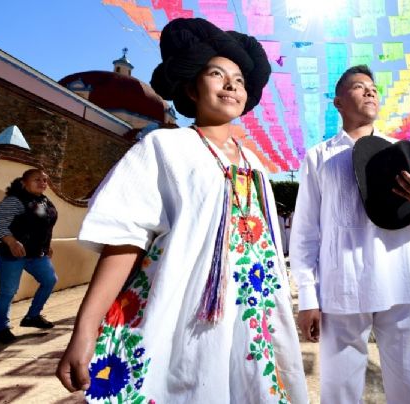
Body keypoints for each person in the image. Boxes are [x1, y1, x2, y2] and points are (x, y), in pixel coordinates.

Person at [56, 18, 308, 403]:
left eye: (239, 80)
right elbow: (125, 240)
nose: (231, 85)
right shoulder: (163, 147)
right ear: (191, 87)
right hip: (185, 314)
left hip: (251, 319)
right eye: (217, 75)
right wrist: (85, 328)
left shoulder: (257, 166)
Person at [290, 65, 410, 404]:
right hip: (342, 286)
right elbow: (305, 233)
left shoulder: (400, 152)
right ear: (338, 103)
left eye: (373, 87)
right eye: (359, 87)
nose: (370, 92)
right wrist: (308, 297)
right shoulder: (320, 158)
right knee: (339, 390)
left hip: (400, 282)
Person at [0, 169, 58, 344]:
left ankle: (32, 316)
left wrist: (47, 245)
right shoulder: (14, 200)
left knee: (50, 280)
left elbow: (44, 225)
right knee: (8, 292)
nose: (43, 183)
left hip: (36, 254)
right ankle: (0, 329)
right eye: (37, 179)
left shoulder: (43, 200)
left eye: (45, 180)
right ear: (24, 182)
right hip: (13, 254)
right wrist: (12, 242)